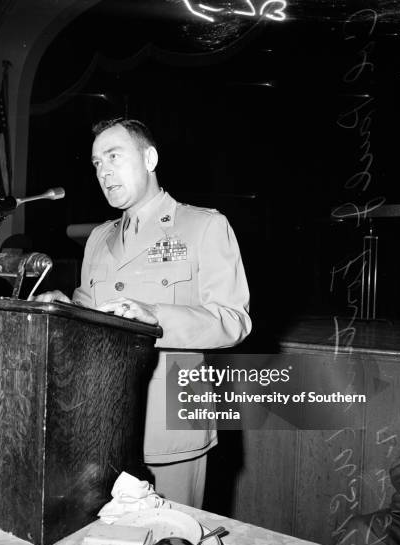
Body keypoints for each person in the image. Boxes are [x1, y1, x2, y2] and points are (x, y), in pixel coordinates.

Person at [36, 118, 251, 508]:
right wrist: (67, 308)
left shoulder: (204, 226)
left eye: (114, 156)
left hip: (171, 423)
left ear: (149, 158)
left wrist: (156, 316)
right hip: (102, 425)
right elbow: (91, 303)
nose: (103, 171)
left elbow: (233, 319)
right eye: (97, 163)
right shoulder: (99, 237)